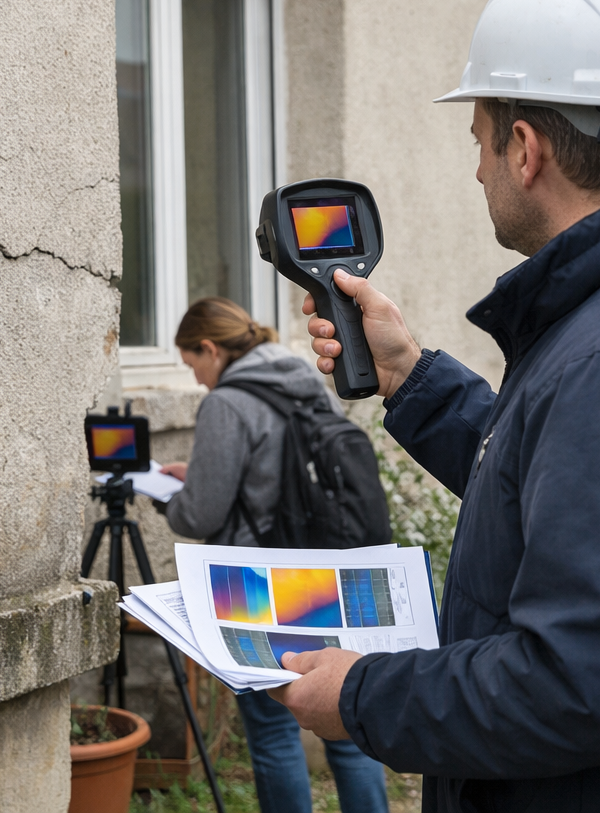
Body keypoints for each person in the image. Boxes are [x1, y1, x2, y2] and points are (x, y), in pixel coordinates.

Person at [269, 0, 600, 811]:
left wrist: (359, 697)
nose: (478, 171)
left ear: (524, 149)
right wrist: (411, 378)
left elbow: (586, 679)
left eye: (479, 142)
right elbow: (557, 477)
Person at [159, 297, 390, 813]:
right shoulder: (304, 382)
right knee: (345, 720)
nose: (197, 379)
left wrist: (169, 497)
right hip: (324, 573)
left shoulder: (227, 402)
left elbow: (199, 515)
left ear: (210, 348)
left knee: (272, 732)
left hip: (257, 583)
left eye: (192, 363)